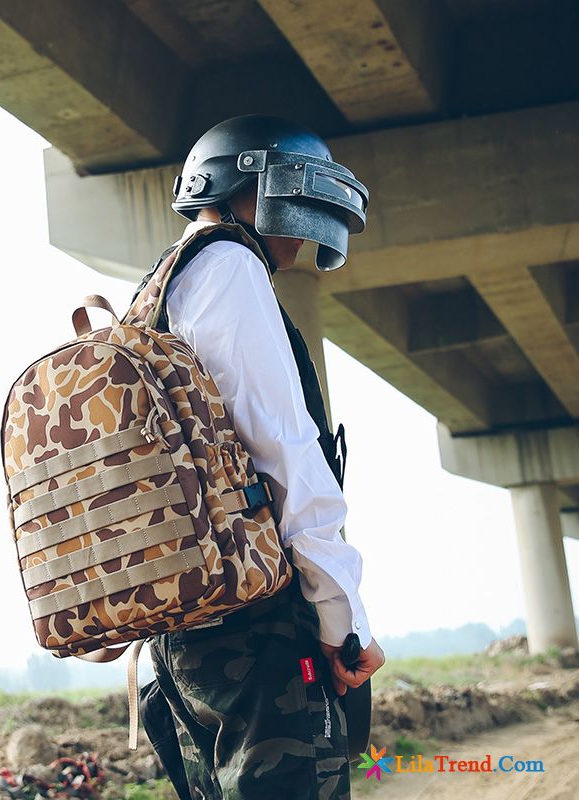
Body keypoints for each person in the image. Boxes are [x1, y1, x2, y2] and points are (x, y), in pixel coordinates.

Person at [136, 115, 386, 800]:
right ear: (247, 184)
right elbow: (284, 448)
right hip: (256, 632)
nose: (302, 234)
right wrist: (343, 619)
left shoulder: (156, 291)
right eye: (296, 202)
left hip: (185, 636)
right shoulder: (229, 267)